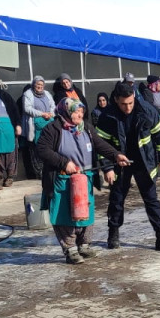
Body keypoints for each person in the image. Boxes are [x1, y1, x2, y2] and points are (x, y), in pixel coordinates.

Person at [35, 97, 121, 264]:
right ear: (66, 111)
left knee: (85, 213)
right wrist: (64, 162)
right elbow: (42, 149)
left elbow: (100, 144)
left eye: (81, 111)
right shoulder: (53, 129)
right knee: (64, 214)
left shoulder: (86, 128)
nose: (80, 114)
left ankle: (84, 245)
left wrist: (116, 155)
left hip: (85, 178)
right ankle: (70, 249)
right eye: (76, 111)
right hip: (62, 179)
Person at [95, 81, 160, 251]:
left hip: (144, 161)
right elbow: (101, 144)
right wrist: (107, 168)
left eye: (130, 103)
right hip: (119, 163)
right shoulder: (107, 116)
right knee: (116, 200)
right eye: (123, 104)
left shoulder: (147, 110)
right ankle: (113, 234)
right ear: (115, 100)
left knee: (151, 200)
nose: (128, 107)